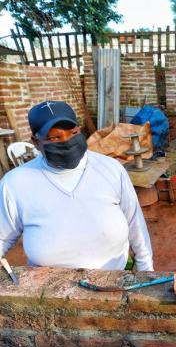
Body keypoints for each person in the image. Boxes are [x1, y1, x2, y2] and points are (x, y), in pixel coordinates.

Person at [0, 101, 153, 271]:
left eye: (73, 133)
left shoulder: (111, 169)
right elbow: (2, 237)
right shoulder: (15, 183)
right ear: (36, 142)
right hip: (48, 289)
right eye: (54, 138)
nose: (66, 142)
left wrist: (146, 269)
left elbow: (135, 225)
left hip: (114, 281)